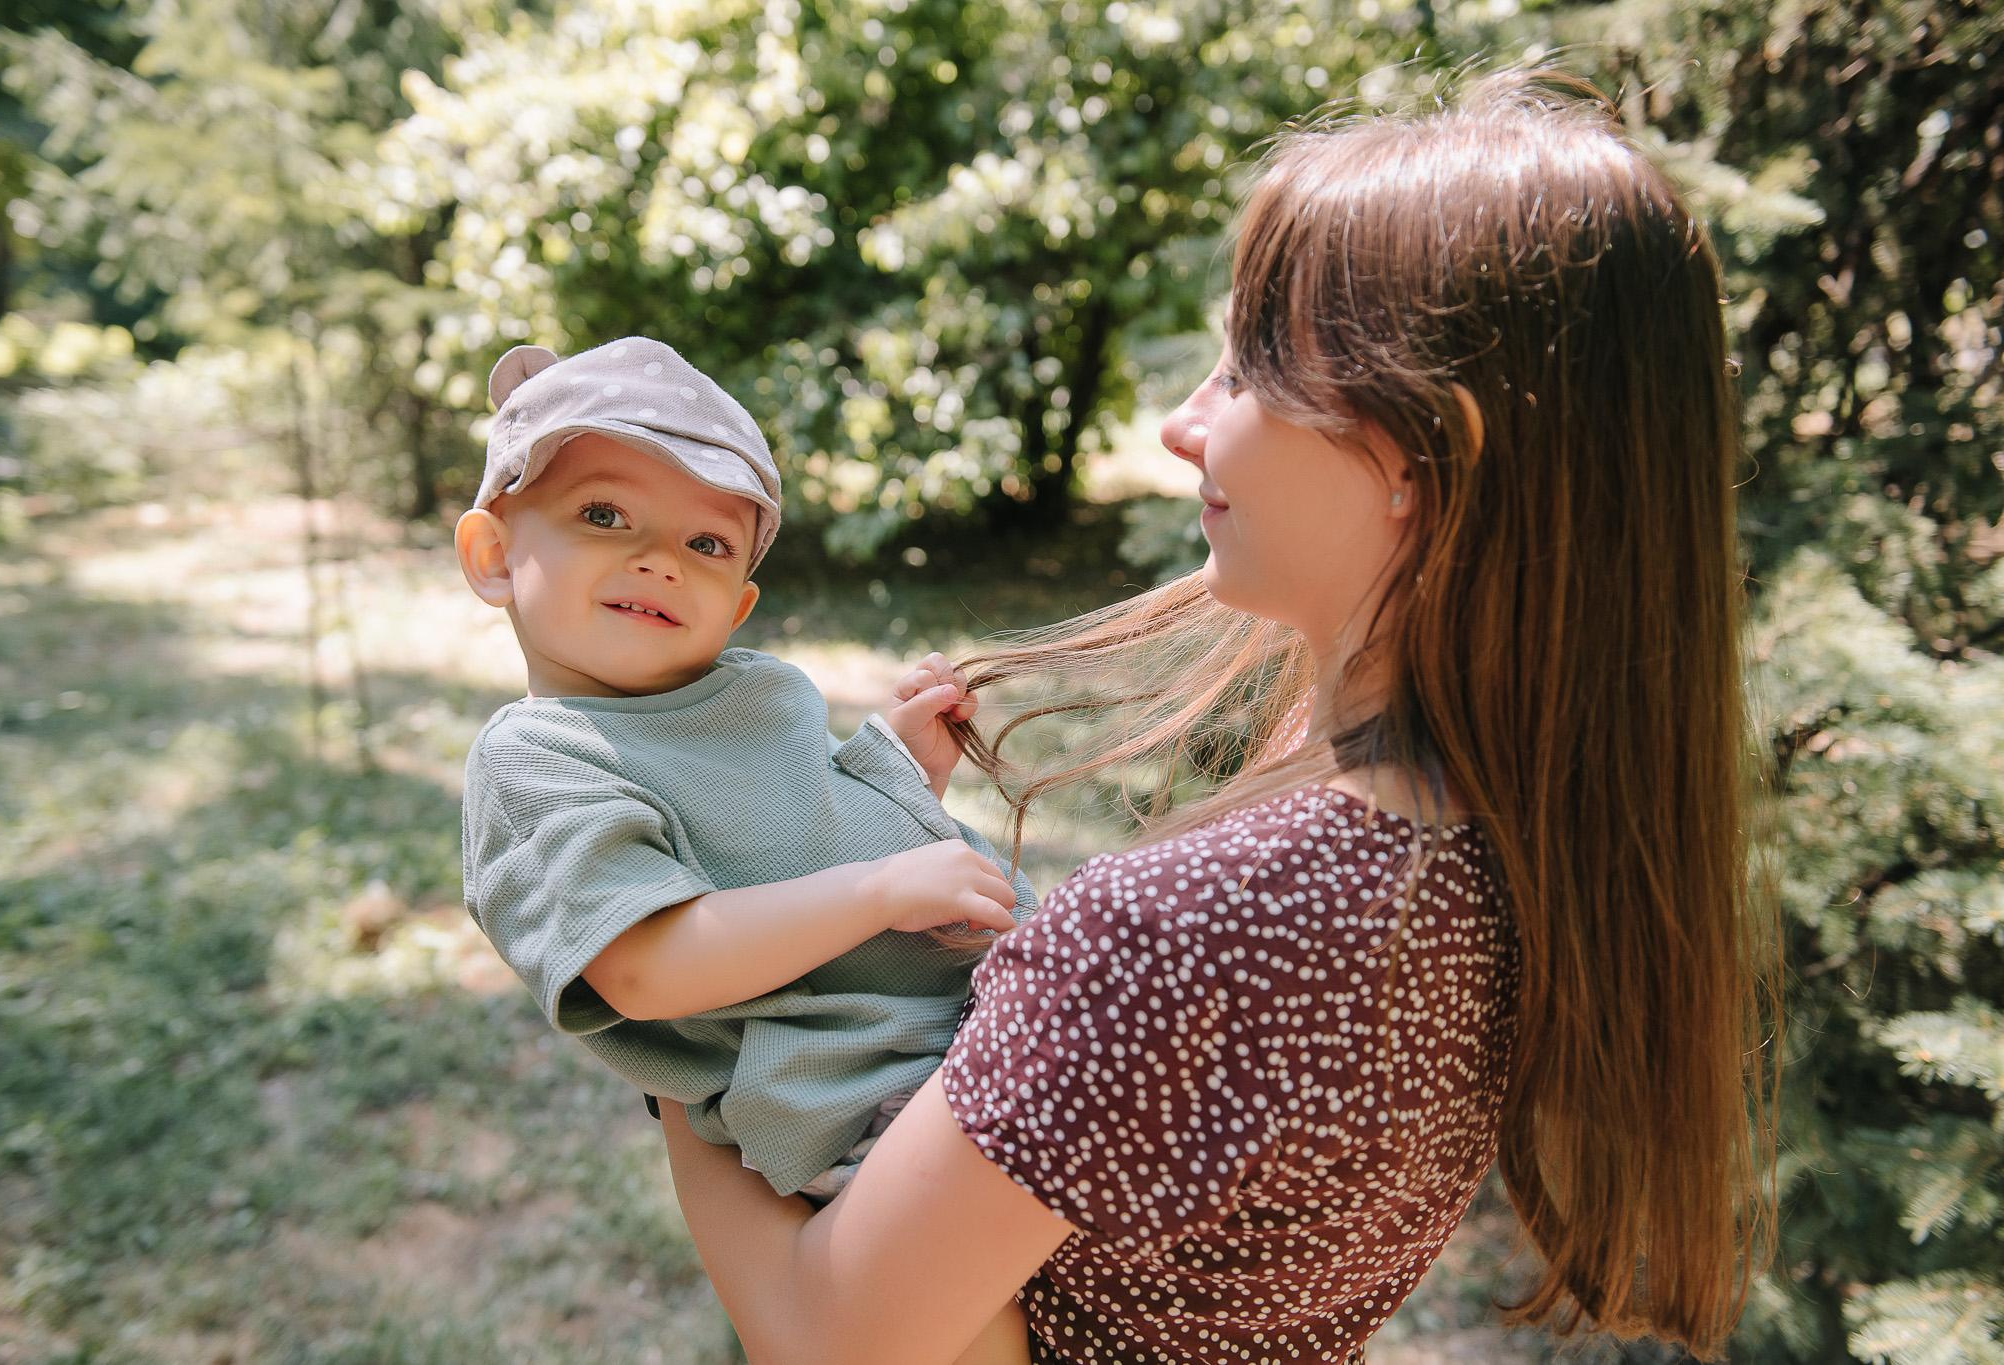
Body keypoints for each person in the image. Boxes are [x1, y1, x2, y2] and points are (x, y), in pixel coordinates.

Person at [651, 70, 1779, 1364]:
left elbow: (827, 1331)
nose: (1185, 424)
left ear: (1421, 458)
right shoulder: (1509, 852)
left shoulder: (1185, 933)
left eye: (1247, 363)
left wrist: (680, 1006)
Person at [452, 337, 1040, 1363]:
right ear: (493, 555)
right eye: (604, 516)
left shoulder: (747, 695)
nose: (658, 559)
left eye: (708, 545)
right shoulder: (542, 758)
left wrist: (898, 767)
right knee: (958, 1322)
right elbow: (648, 961)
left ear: (739, 605)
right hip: (855, 1090)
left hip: (970, 1021)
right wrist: (878, 890)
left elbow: (798, 820)